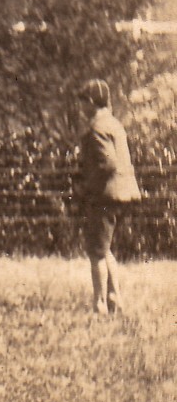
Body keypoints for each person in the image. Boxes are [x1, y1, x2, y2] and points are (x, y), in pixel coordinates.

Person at [75, 79, 142, 314]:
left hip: (105, 195)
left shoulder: (96, 128)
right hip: (124, 194)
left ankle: (100, 304)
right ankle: (115, 298)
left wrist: (86, 186)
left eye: (83, 102)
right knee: (104, 248)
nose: (81, 108)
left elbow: (108, 163)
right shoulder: (114, 124)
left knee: (96, 251)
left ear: (92, 102)